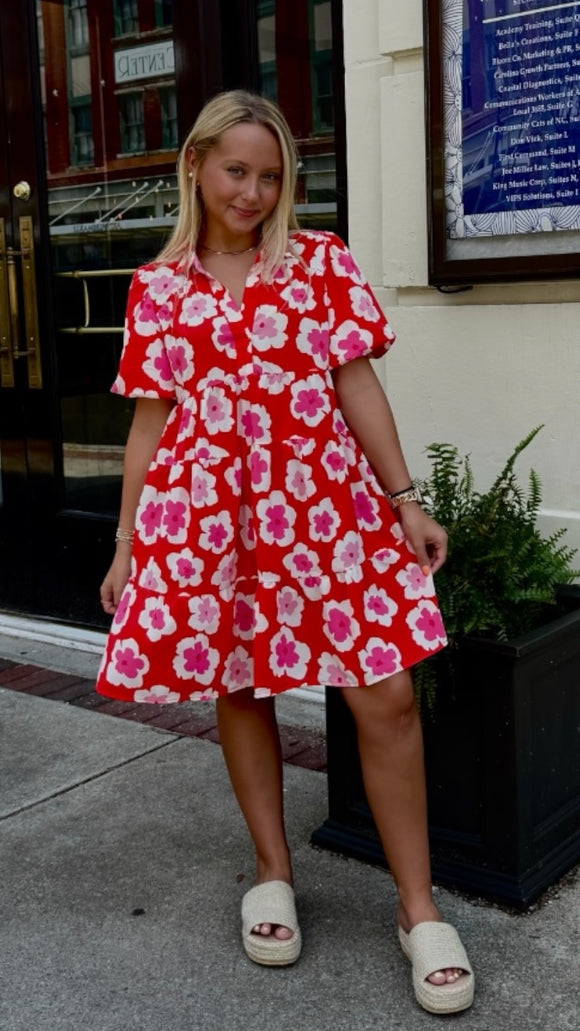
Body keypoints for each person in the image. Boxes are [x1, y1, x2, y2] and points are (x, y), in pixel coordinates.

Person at [97, 89, 474, 1015]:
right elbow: (148, 426)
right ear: (195, 165)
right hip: (208, 516)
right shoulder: (157, 287)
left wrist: (405, 500)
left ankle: (418, 908)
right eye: (237, 171)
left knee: (385, 693)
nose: (253, 193)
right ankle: (272, 870)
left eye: (271, 176)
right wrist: (127, 543)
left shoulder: (319, 263)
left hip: (326, 508)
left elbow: (358, 384)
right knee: (240, 680)